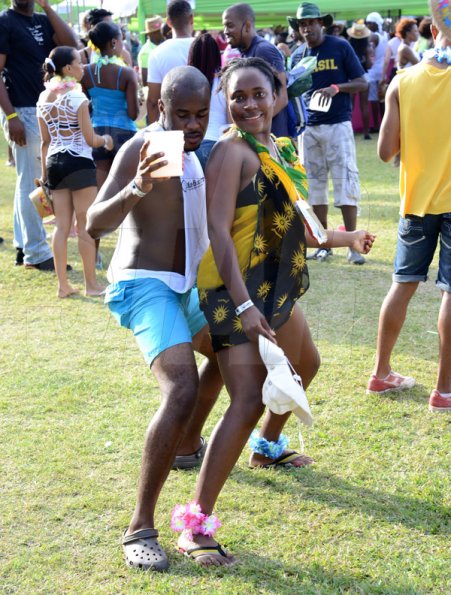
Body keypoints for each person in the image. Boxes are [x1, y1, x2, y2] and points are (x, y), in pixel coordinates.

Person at [171, 57, 374, 566]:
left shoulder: (278, 150)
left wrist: (349, 237)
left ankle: (268, 448)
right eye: (238, 96)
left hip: (273, 287)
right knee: (245, 400)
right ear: (228, 102)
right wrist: (242, 305)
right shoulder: (231, 153)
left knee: (306, 366)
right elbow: (219, 232)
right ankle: (195, 524)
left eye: (259, 94)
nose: (249, 104)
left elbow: (303, 222)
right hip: (234, 293)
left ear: (277, 94)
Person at [86, 65, 224, 571]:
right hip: (144, 284)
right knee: (181, 388)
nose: (190, 125)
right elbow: (92, 223)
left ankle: (187, 443)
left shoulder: (200, 155)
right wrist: (136, 187)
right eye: (180, 114)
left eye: (200, 115)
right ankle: (139, 527)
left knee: (234, 356)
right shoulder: (141, 148)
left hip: (187, 286)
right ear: (160, 107)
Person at [367, 1, 451, 414]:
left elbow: (385, 152)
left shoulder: (402, 81)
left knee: (403, 285)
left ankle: (381, 372)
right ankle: (445, 390)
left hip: (416, 203)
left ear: (434, 33)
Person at [287, 2, 368, 264]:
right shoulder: (298, 56)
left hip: (337, 124)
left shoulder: (340, 46)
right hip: (308, 128)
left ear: (322, 24)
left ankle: (353, 244)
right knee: (314, 187)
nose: (307, 28)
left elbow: (361, 82)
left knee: (345, 182)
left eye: (311, 22)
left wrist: (337, 88)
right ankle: (324, 243)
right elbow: (292, 91)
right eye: (302, 24)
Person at [0, 0, 77, 269]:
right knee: (31, 180)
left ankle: (25, 247)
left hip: (42, 108)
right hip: (21, 109)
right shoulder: (5, 21)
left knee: (27, 179)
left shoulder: (43, 21)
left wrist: (48, 8)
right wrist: (11, 116)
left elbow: (72, 45)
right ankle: (36, 252)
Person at [37, 47, 111, 298]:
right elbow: (90, 139)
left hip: (54, 164)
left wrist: (44, 178)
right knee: (85, 226)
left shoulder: (42, 99)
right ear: (68, 69)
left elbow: (44, 142)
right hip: (79, 163)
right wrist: (107, 140)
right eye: (79, 63)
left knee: (61, 227)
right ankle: (91, 285)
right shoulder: (78, 98)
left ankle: (63, 286)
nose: (83, 67)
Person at [81, 21, 138, 190]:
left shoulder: (85, 72)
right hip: (124, 133)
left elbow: (86, 106)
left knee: (101, 189)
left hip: (96, 132)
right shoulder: (127, 73)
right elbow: (133, 114)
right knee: (124, 188)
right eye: (122, 40)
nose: (123, 44)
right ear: (114, 42)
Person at [222, 3, 290, 137]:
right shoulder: (247, 51)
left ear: (246, 26)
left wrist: (247, 127)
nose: (225, 31)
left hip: (272, 139)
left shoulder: (263, 50)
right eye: (224, 26)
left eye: (230, 25)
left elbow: (282, 98)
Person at [146, 0, 194, 124]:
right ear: (191, 19)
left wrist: (152, 133)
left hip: (171, 126)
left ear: (168, 22)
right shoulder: (206, 47)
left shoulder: (157, 53)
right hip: (204, 127)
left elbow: (152, 101)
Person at [188, 33, 230, 170]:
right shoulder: (226, 83)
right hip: (220, 144)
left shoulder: (187, 84)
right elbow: (232, 122)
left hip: (191, 147)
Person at [347, 22, 373, 139]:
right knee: (364, 106)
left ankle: (349, 131)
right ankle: (366, 133)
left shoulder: (348, 46)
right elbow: (369, 65)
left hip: (351, 78)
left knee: (350, 106)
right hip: (364, 77)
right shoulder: (367, 47)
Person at [365, 12, 388, 132]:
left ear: (375, 23)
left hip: (373, 72)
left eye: (370, 23)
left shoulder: (373, 36)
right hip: (382, 70)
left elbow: (371, 51)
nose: (368, 25)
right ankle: (384, 123)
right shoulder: (385, 34)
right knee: (383, 100)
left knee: (373, 99)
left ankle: (377, 126)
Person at [137, 16, 164, 85]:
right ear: (151, 34)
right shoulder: (145, 52)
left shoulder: (164, 45)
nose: (163, 33)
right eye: (159, 31)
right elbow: (145, 81)